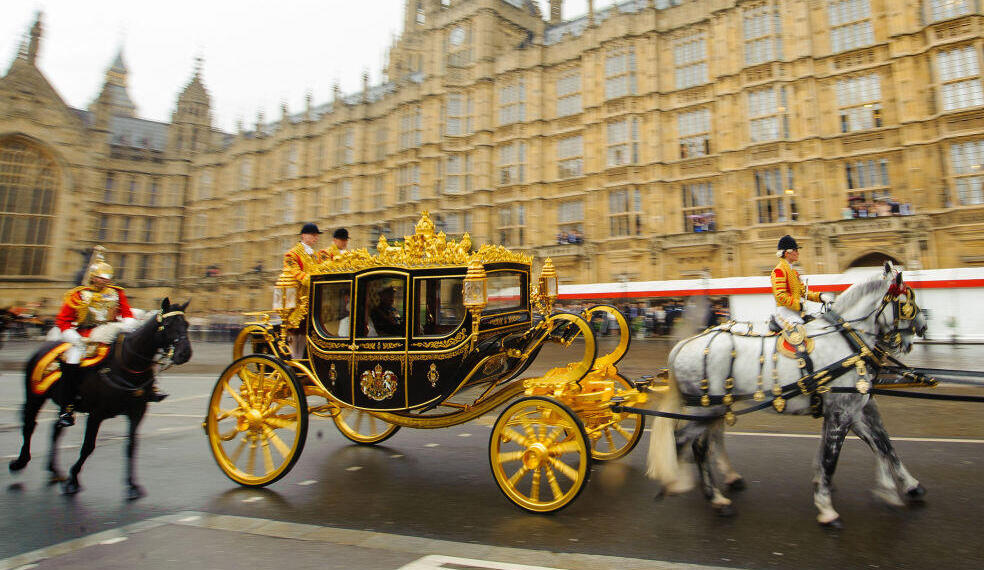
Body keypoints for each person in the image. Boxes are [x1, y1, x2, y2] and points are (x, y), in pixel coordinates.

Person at [54, 259, 157, 427]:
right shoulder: (78, 295)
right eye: (102, 277)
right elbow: (63, 320)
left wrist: (128, 324)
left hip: (111, 333)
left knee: (138, 353)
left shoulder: (116, 293)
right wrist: (75, 338)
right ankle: (67, 407)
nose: (106, 280)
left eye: (108, 277)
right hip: (85, 337)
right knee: (72, 360)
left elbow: (127, 314)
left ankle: (150, 388)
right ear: (93, 277)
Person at [771, 235, 835, 327]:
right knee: (798, 334)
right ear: (787, 253)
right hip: (784, 314)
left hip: (796, 313)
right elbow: (780, 296)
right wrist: (799, 305)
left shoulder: (794, 272)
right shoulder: (779, 270)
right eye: (795, 250)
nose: (798, 253)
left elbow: (803, 292)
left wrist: (820, 297)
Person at [282, 222, 321, 356]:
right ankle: (293, 359)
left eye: (316, 236)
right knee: (294, 332)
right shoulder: (292, 254)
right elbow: (294, 272)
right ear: (304, 236)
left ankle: (300, 359)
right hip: (296, 300)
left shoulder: (315, 255)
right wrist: (313, 281)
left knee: (305, 332)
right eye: (313, 235)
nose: (316, 238)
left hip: (311, 299)